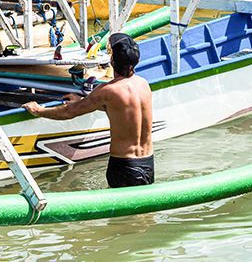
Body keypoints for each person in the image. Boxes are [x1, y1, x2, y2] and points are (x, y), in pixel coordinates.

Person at [24, 32, 154, 188]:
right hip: (147, 162)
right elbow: (121, 110)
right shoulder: (144, 84)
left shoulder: (107, 91)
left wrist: (39, 110)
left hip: (124, 166)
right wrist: (83, 102)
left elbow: (68, 112)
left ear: (112, 61)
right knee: (141, 212)